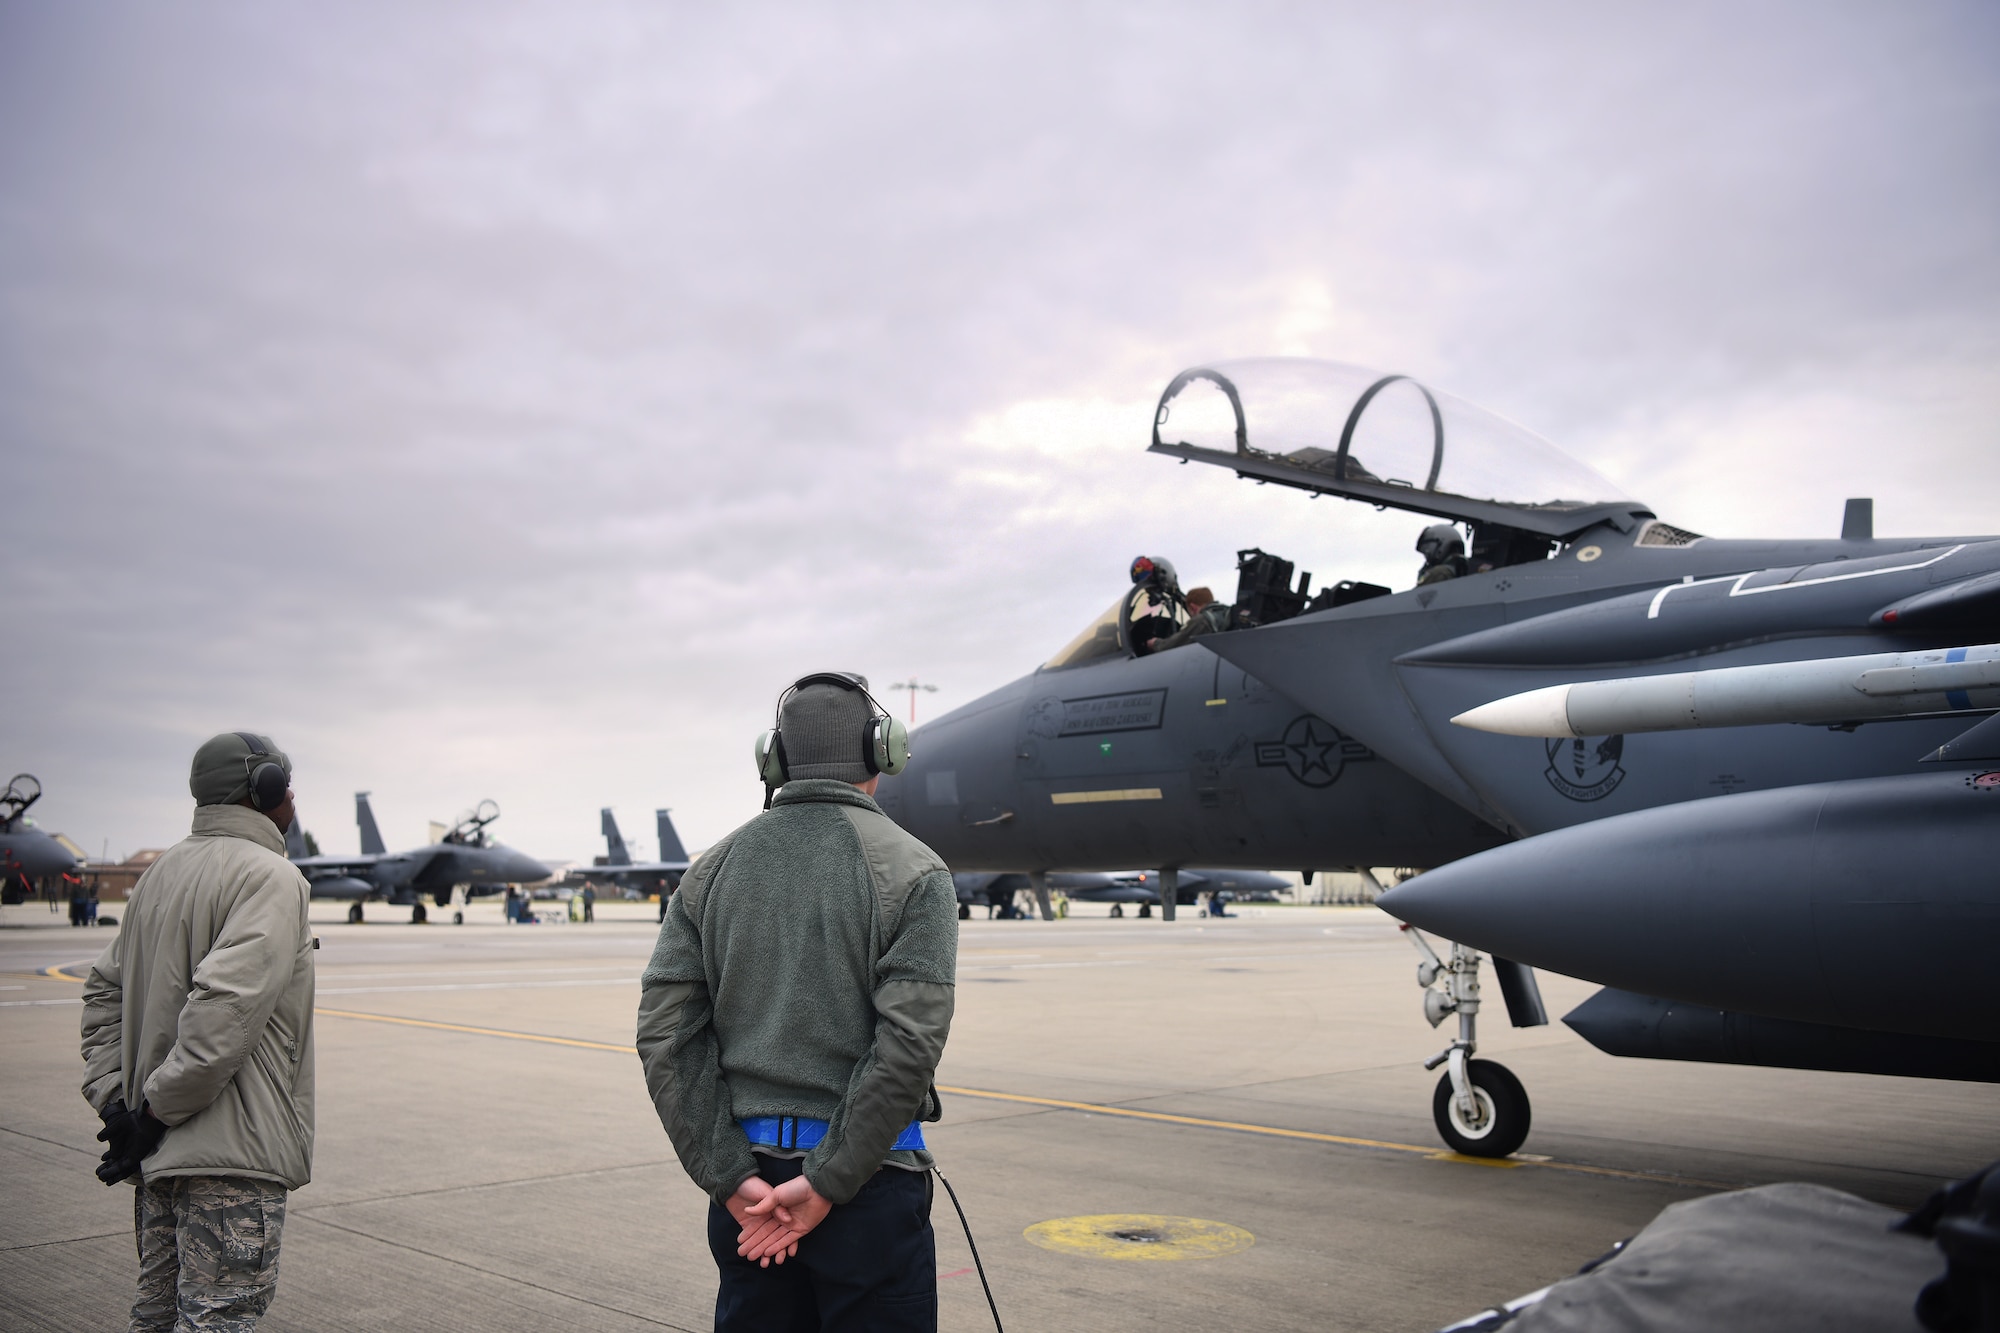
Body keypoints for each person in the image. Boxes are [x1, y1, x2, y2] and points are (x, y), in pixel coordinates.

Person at [637, 673, 957, 1332]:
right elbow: (906, 1049)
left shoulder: (708, 871)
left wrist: (729, 1178)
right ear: (882, 752)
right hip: (867, 1192)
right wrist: (826, 1184)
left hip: (750, 1198)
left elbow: (665, 1037)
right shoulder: (917, 871)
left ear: (774, 759)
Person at [80, 731, 315, 1332]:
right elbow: (224, 1013)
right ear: (261, 790)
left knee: (157, 1315)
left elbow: (104, 991)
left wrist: (122, 1106)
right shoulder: (271, 877)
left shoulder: (159, 875)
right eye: (285, 785)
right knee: (218, 1320)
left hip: (157, 1154)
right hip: (228, 1157)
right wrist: (155, 1113)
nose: (292, 797)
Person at [1148, 585, 1231, 652]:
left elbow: (1175, 644)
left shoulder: (1201, 620)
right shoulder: (1226, 613)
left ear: (1193, 608)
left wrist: (1155, 643)